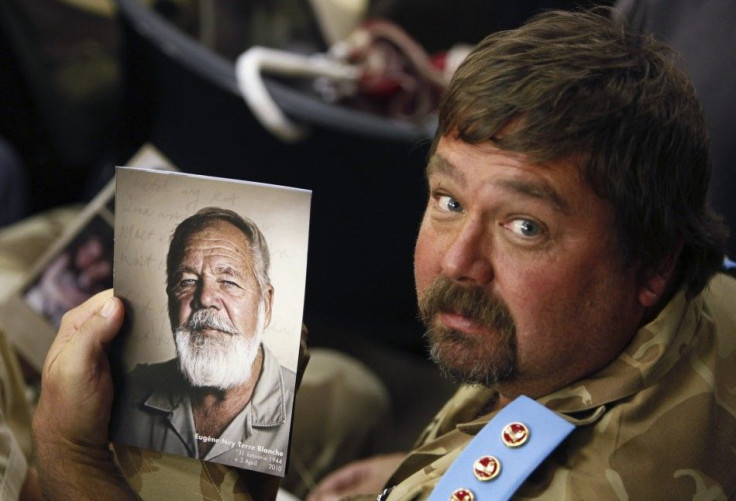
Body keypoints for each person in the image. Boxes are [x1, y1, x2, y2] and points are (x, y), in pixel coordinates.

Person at [32, 8, 736, 500]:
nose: (460, 261)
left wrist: (69, 459)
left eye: (525, 228)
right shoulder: (711, 297)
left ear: (650, 266)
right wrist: (426, 466)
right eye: (449, 200)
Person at [110, 207, 295, 472]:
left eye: (228, 282)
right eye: (187, 281)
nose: (205, 298)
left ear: (265, 303)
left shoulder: (301, 411)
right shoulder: (128, 393)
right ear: (170, 302)